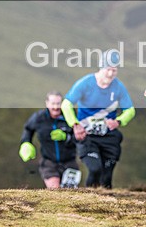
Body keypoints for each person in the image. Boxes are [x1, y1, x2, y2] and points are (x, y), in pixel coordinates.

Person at [61, 49, 135, 188]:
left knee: (107, 176)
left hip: (109, 135)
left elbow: (130, 110)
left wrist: (119, 121)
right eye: (108, 69)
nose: (111, 74)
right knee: (95, 169)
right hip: (87, 135)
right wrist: (75, 125)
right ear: (101, 67)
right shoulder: (85, 83)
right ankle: (89, 198)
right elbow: (66, 104)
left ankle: (108, 204)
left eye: (114, 70)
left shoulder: (118, 86)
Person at [18, 91, 79, 189]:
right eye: (53, 103)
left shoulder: (70, 117)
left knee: (69, 193)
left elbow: (80, 138)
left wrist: (66, 137)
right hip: (49, 162)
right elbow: (28, 129)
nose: (56, 107)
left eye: (58, 103)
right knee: (55, 190)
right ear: (47, 103)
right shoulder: (39, 118)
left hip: (69, 162)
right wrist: (26, 143)